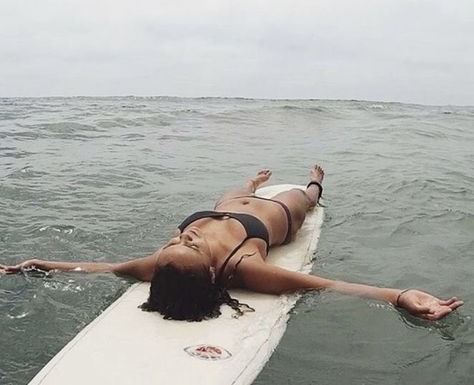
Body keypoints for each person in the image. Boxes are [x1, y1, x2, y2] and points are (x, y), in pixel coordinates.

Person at [0, 165, 463, 322]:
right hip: (274, 218)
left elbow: (99, 268)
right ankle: (317, 179)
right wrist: (402, 296)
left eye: (178, 242)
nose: (186, 235)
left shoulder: (168, 258)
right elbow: (326, 284)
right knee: (307, 198)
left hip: (229, 200)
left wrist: (36, 263)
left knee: (232, 192)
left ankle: (253, 179)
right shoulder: (246, 268)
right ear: (212, 272)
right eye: (192, 246)